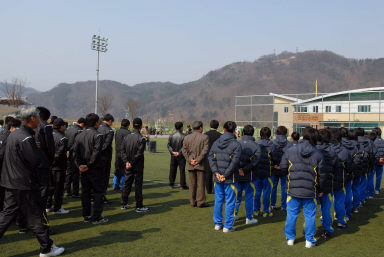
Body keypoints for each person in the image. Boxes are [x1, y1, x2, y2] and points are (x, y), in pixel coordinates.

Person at [0, 107, 65, 257]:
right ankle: (47, 248)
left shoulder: (15, 133)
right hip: (23, 183)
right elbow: (36, 161)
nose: (40, 120)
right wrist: (38, 151)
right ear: (32, 119)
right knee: (35, 215)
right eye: (37, 117)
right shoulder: (25, 137)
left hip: (11, 181)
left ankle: (47, 246)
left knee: (6, 215)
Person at [280, 126, 324, 248]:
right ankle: (309, 240)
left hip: (293, 188)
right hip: (310, 189)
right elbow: (322, 175)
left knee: (292, 214)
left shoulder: (291, 150)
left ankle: (290, 238)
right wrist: (321, 190)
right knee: (309, 215)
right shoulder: (318, 154)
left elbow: (283, 167)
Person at [73, 113, 108, 224]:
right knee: (98, 192)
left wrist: (79, 165)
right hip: (94, 169)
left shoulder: (79, 135)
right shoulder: (98, 136)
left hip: (83, 169)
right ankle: (97, 217)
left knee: (85, 192)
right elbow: (96, 153)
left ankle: (86, 215)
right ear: (96, 123)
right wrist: (88, 165)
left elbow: (75, 152)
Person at [209, 121, 242, 232]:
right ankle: (227, 226)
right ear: (234, 130)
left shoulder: (216, 142)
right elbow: (235, 163)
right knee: (230, 201)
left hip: (218, 177)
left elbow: (211, 158)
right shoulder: (236, 144)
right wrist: (225, 175)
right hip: (230, 178)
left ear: (223, 129)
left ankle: (218, 224)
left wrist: (216, 173)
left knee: (218, 200)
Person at [120, 118, 150, 213]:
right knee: (138, 185)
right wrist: (131, 163)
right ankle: (139, 206)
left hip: (128, 165)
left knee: (127, 184)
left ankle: (124, 203)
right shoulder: (141, 138)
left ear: (133, 126)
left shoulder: (126, 137)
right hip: (137, 165)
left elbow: (122, 151)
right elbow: (139, 153)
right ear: (141, 127)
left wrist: (127, 162)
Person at [35, 107, 55, 234]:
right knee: (42, 195)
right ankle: (43, 227)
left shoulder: (25, 126)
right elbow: (50, 148)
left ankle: (24, 224)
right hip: (42, 164)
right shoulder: (45, 126)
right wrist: (50, 161)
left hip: (30, 164)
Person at [234, 124, 259, 225]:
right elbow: (255, 162)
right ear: (252, 133)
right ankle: (248, 217)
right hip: (250, 175)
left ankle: (234, 214)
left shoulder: (236, 143)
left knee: (237, 195)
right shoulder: (256, 146)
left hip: (238, 174)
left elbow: (233, 159)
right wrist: (244, 169)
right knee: (249, 197)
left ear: (243, 133)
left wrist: (240, 169)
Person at [182, 121, 209, 208]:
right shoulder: (205, 137)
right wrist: (198, 160)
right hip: (200, 164)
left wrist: (190, 160)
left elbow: (184, 150)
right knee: (201, 184)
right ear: (200, 128)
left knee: (192, 184)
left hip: (191, 164)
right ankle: (200, 202)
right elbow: (205, 150)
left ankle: (192, 201)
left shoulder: (187, 137)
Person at [315, 129, 337, 239]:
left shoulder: (313, 149)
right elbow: (334, 165)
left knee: (310, 208)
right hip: (326, 182)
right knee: (326, 208)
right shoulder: (332, 150)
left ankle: (308, 227)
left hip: (313, 182)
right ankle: (327, 229)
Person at [329, 128, 350, 229]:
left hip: (327, 179)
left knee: (326, 201)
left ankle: (325, 220)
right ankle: (340, 221)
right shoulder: (344, 150)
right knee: (339, 201)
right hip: (339, 179)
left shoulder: (325, 149)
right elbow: (348, 164)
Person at [47, 118, 69, 214]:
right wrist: (53, 162)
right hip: (59, 167)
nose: (65, 126)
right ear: (61, 126)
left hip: (49, 166)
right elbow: (59, 153)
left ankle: (47, 206)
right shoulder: (63, 138)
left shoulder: (49, 135)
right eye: (64, 125)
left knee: (50, 187)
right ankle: (57, 208)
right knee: (58, 188)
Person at [0, 117, 21, 211]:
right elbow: (4, 154)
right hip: (6, 170)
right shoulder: (9, 137)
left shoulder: (2, 134)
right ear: (12, 127)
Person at [253, 127, 275, 217]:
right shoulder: (272, 145)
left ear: (260, 135)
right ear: (269, 135)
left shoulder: (256, 144)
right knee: (266, 192)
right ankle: (266, 211)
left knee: (257, 191)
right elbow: (275, 158)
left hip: (257, 171)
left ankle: (256, 210)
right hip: (268, 172)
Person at [271, 126, 292, 211]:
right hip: (284, 168)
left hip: (275, 167)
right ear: (286, 133)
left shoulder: (272, 144)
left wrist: (274, 165)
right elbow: (291, 157)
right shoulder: (289, 144)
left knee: (274, 186)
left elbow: (270, 155)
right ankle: (284, 206)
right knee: (284, 187)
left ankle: (272, 204)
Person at [64, 117, 85, 198]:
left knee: (69, 172)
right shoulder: (79, 131)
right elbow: (77, 143)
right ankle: (75, 192)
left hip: (67, 153)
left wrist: (67, 150)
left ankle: (67, 190)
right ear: (82, 123)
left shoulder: (69, 129)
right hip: (75, 154)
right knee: (75, 173)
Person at [98, 114, 115, 203]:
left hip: (96, 156)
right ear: (110, 121)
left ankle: (94, 195)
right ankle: (101, 197)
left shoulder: (97, 127)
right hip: (105, 156)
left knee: (97, 176)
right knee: (104, 177)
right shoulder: (109, 131)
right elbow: (106, 145)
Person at [167, 121, 188, 189]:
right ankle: (183, 185)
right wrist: (179, 152)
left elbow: (168, 145)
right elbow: (185, 146)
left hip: (173, 155)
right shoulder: (184, 136)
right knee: (182, 170)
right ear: (181, 127)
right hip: (181, 156)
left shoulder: (171, 135)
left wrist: (172, 152)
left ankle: (171, 183)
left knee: (172, 169)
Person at [204, 120, 222, 194]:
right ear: (217, 126)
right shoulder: (220, 135)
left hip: (207, 156)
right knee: (216, 173)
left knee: (208, 174)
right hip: (217, 156)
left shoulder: (205, 134)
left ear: (210, 125)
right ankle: (216, 189)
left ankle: (208, 189)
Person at [113, 119, 131, 191]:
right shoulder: (128, 133)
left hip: (117, 153)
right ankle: (123, 186)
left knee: (117, 169)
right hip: (125, 154)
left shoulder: (117, 132)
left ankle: (115, 185)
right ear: (128, 125)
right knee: (125, 170)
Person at [372, 127, 384, 195]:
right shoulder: (383, 141)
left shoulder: (373, 141)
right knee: (379, 176)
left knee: (371, 177)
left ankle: (370, 191)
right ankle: (377, 189)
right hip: (381, 161)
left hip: (374, 161)